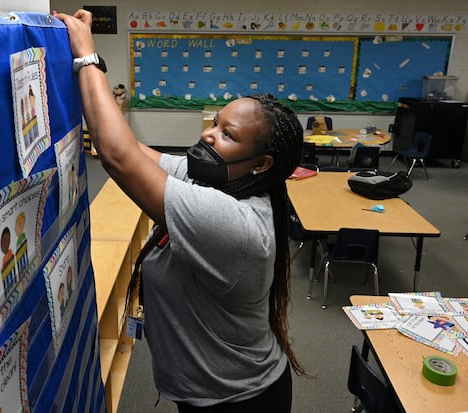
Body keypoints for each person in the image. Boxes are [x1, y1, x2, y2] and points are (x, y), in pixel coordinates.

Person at [54, 9, 307, 412]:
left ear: (261, 164)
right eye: (215, 121)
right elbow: (133, 149)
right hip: (208, 391)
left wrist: (85, 54)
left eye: (227, 135)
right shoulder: (211, 178)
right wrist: (93, 68)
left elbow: (117, 158)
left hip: (237, 401)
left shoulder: (234, 223)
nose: (208, 133)